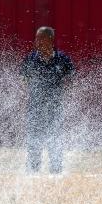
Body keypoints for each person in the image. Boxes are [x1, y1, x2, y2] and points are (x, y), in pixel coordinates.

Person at [20, 26, 75, 174]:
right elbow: (23, 82)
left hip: (55, 108)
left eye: (40, 38)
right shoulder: (30, 59)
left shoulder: (62, 59)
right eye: (36, 38)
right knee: (34, 141)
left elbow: (71, 81)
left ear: (49, 39)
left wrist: (62, 98)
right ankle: (33, 170)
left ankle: (56, 171)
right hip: (35, 108)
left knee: (55, 140)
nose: (36, 41)